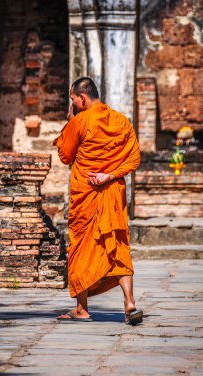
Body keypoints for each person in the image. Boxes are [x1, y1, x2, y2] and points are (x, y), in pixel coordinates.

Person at [53, 77, 143, 325]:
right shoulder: (121, 121)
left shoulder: (80, 121)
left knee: (80, 247)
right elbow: (134, 158)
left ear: (81, 98)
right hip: (113, 192)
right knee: (118, 246)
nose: (73, 104)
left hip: (87, 194)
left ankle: (82, 309)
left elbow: (64, 155)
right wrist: (109, 175)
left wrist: (70, 121)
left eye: (73, 100)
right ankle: (129, 302)